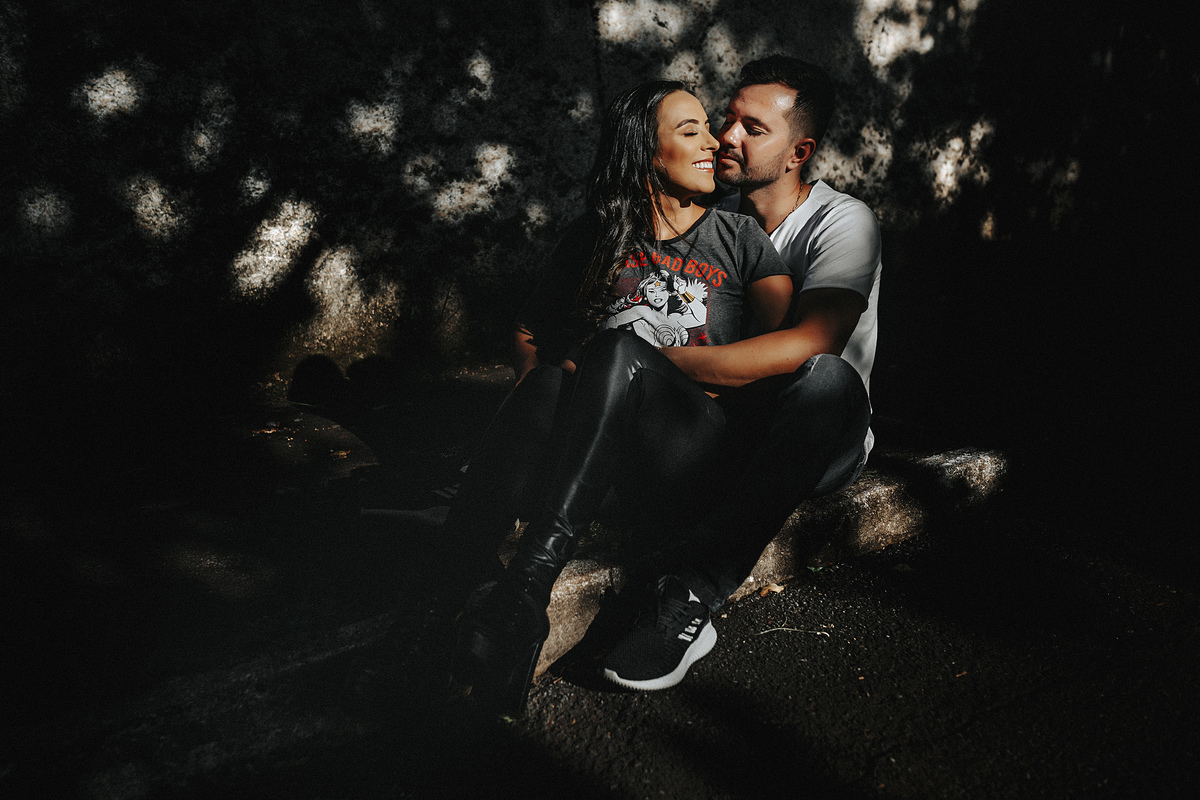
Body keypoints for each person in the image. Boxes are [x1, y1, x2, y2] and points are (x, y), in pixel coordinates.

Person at [448, 80, 794, 714]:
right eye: (690, 131)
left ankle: (520, 589)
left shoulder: (741, 239)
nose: (714, 142)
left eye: (707, 129)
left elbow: (773, 361)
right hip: (594, 456)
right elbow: (531, 331)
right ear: (646, 155)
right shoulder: (595, 238)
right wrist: (538, 393)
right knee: (555, 376)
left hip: (687, 450)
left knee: (615, 352)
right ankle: (465, 601)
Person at [598, 55, 881, 691]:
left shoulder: (842, 222)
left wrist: (647, 366)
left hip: (809, 434)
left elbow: (813, 340)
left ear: (796, 151)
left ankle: (691, 595)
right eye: (727, 119)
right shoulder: (709, 216)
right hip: (714, 427)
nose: (727, 137)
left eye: (753, 128)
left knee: (825, 379)